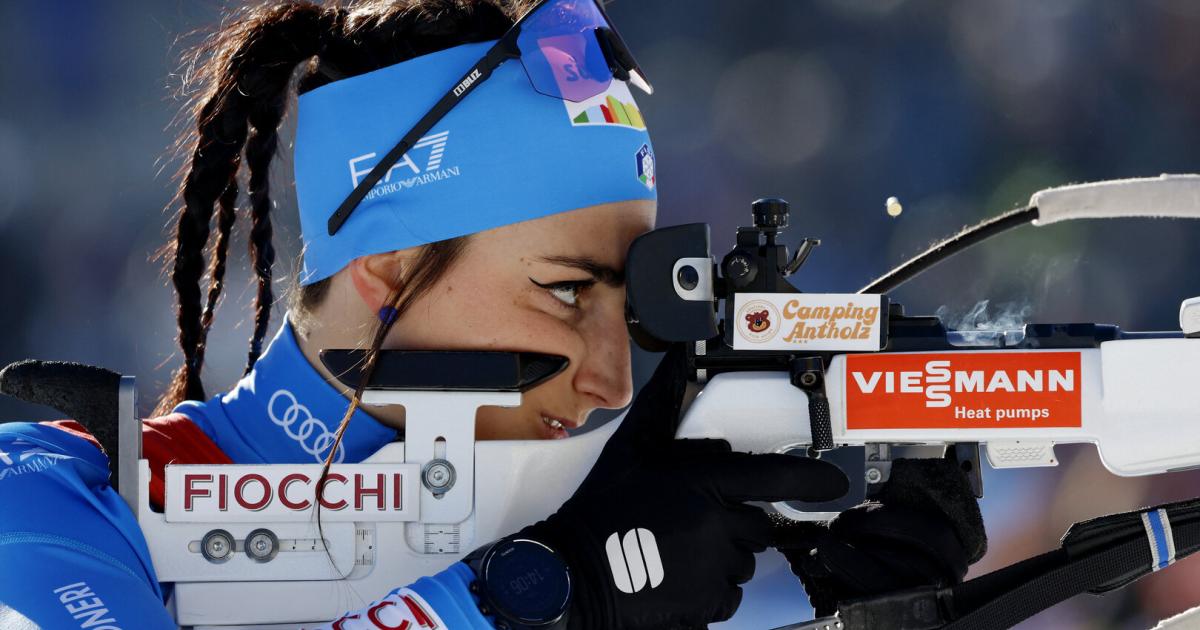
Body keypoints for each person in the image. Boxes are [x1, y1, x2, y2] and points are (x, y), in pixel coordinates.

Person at [0, 1, 985, 628]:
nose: (610, 376)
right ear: (387, 268)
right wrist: (541, 595)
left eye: (636, 300)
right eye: (565, 290)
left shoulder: (598, 521)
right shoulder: (47, 498)